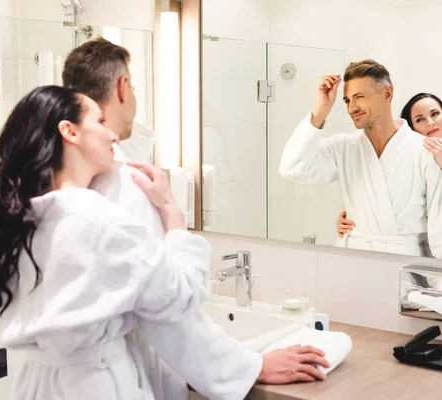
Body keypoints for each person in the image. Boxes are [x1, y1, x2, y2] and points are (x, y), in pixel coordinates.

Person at [62, 38, 329, 399]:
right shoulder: (127, 185)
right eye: (135, 88)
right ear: (123, 87)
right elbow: (169, 314)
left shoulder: (50, 184)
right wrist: (253, 365)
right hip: (108, 379)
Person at [0, 85, 214, 399]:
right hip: (95, 385)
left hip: (35, 385)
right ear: (69, 131)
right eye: (99, 122)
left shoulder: (21, 220)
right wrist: (171, 212)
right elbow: (181, 296)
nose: (113, 135)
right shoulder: (99, 221)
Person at [279, 59, 442, 261]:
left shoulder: (424, 151)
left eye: (359, 97)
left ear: (387, 94)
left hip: (400, 264)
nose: (352, 108)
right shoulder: (343, 148)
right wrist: (321, 109)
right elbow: (293, 168)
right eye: (347, 100)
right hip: (351, 260)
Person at [337, 93, 442, 240]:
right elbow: (385, 207)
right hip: (410, 254)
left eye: (435, 114)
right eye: (419, 120)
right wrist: (351, 220)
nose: (430, 122)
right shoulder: (403, 164)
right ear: (411, 129)